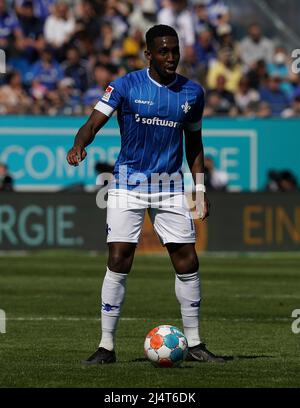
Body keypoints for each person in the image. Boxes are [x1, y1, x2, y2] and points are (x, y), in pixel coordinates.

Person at [67, 24, 224, 364]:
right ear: (148, 54)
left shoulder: (192, 93)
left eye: (175, 50)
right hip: (127, 184)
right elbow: (93, 123)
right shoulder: (126, 85)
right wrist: (79, 144)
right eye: (164, 51)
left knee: (187, 261)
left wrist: (198, 188)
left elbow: (194, 144)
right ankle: (106, 346)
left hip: (170, 187)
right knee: (119, 259)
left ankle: (195, 343)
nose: (171, 57)